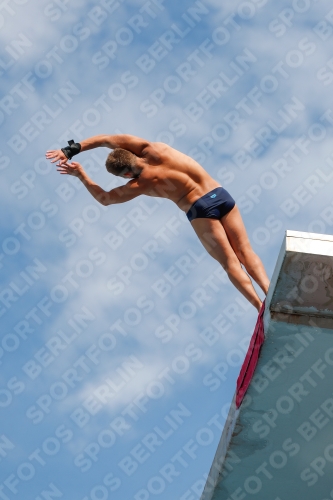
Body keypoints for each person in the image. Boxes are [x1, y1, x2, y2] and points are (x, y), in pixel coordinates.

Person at [46, 135, 270, 311]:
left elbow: (105, 199)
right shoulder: (153, 148)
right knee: (245, 250)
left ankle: (261, 308)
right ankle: (270, 292)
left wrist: (82, 175)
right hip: (220, 194)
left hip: (201, 209)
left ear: (125, 174)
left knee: (230, 262)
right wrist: (70, 150)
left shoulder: (142, 183)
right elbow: (105, 139)